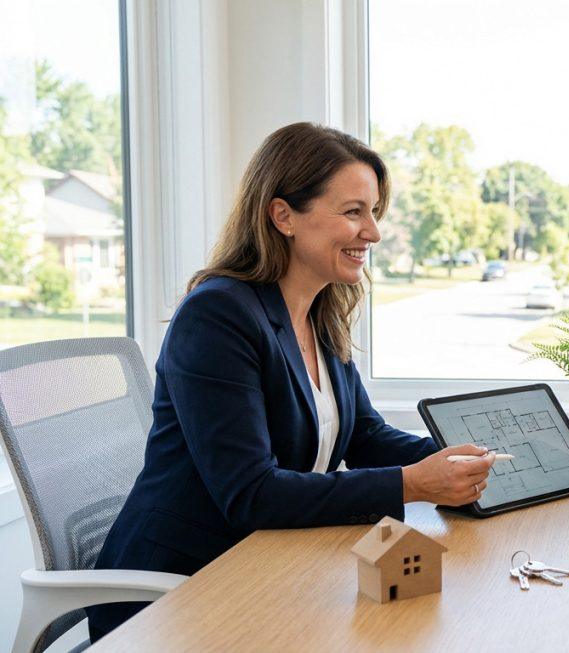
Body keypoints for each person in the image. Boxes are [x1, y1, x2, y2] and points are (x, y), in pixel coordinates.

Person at [88, 123, 495, 640]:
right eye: (353, 212)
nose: (372, 232)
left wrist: (456, 460)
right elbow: (251, 493)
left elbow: (365, 436)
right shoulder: (217, 316)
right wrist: (414, 483)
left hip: (263, 563)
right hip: (178, 591)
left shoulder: (318, 312)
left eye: (374, 212)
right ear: (283, 215)